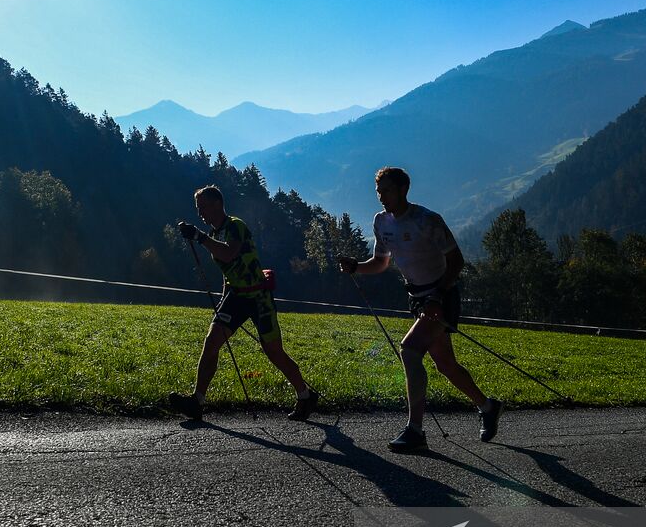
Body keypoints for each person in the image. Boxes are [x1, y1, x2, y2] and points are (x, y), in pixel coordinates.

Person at [339, 166, 502, 452]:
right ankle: (488, 406)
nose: (381, 197)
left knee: (410, 350)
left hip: (442, 296)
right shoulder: (381, 222)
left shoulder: (427, 220)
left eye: (386, 190)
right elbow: (380, 262)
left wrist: (437, 297)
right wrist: (356, 267)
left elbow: (456, 262)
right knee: (445, 365)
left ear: (403, 190)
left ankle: (415, 431)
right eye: (378, 191)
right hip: (417, 298)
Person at [170, 184, 318, 422]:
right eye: (198, 209)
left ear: (217, 204)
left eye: (203, 207)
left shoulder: (235, 226)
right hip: (236, 296)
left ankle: (305, 394)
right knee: (212, 341)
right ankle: (196, 401)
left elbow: (229, 254)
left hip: (259, 297)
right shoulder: (216, 233)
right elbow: (228, 269)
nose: (201, 213)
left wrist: (199, 236)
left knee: (273, 352)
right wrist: (223, 298)